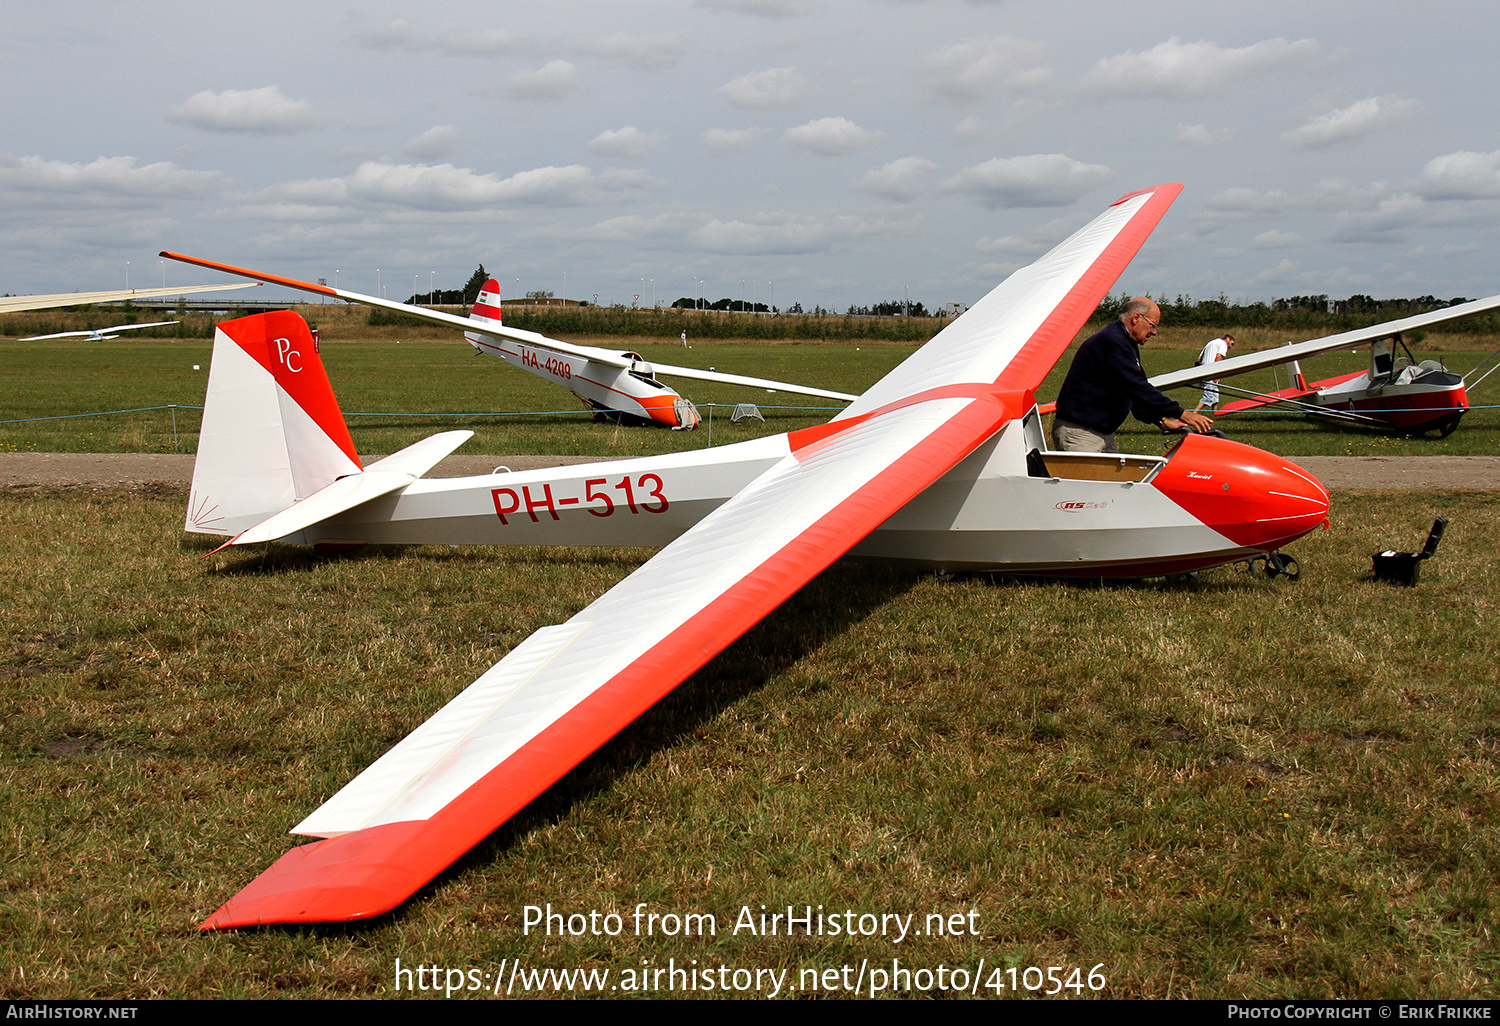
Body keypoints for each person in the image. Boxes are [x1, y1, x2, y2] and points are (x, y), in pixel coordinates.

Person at [1052, 297, 1215, 452]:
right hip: (1081, 433)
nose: (1155, 332)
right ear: (1136, 318)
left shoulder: (1126, 344)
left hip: (1101, 432)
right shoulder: (1112, 342)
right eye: (1153, 325)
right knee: (1087, 482)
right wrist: (1181, 413)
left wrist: (1161, 420)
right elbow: (1137, 386)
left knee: (1115, 481)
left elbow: (1132, 393)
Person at [1194, 334, 1234, 411]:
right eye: (1232, 344)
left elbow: (1199, 358)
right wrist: (1217, 374)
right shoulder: (1223, 343)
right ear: (1228, 339)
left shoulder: (1211, 342)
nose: (1231, 347)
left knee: (1215, 395)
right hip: (1210, 372)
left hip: (1203, 370)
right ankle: (1194, 413)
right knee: (1209, 396)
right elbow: (1219, 357)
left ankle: (1215, 413)